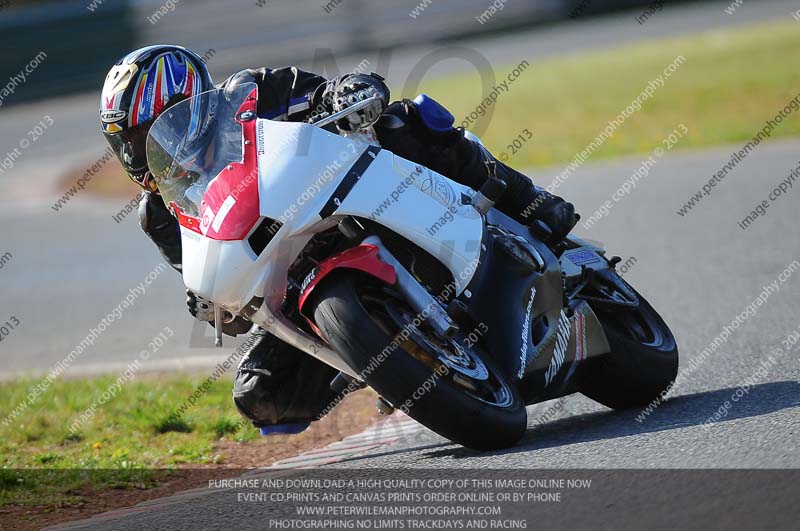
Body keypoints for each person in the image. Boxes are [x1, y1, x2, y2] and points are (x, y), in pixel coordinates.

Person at [100, 45, 578, 435]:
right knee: (259, 393)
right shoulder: (160, 215)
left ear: (189, 106)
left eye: (145, 136)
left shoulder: (252, 92)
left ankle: (528, 199)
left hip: (352, 198)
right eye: (127, 144)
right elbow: (211, 280)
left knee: (406, 120)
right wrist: (207, 301)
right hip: (288, 278)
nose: (140, 154)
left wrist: (348, 93)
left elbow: (333, 93)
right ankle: (377, 357)